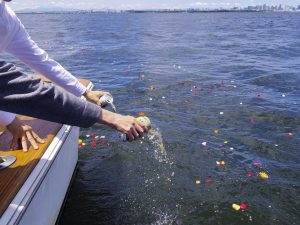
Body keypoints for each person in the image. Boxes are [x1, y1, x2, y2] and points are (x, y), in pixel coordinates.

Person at [0, 0, 146, 151]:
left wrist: (85, 92)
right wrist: (111, 117)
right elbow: (10, 84)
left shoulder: (7, 17)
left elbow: (40, 60)